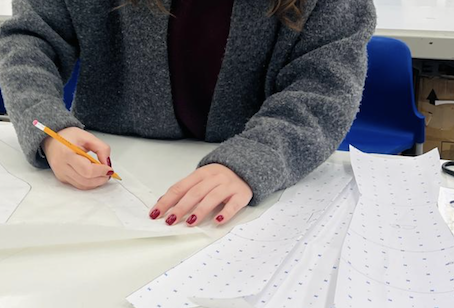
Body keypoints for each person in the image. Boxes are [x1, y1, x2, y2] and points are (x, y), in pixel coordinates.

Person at [0, 0, 376, 226]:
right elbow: (29, 41)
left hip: (252, 198)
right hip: (102, 186)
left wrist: (253, 159)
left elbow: (321, 91)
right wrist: (50, 129)